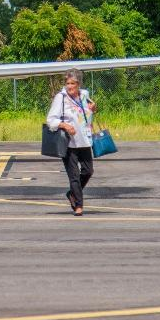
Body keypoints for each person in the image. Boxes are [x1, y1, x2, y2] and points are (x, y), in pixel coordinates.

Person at [46, 69, 97, 216]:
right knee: (74, 175)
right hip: (69, 143)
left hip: (84, 139)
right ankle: (79, 205)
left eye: (72, 83)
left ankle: (72, 193)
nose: (69, 86)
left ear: (78, 84)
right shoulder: (60, 98)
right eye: (67, 83)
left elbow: (88, 115)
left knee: (88, 171)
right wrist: (64, 125)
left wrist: (93, 109)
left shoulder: (84, 95)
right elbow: (51, 120)